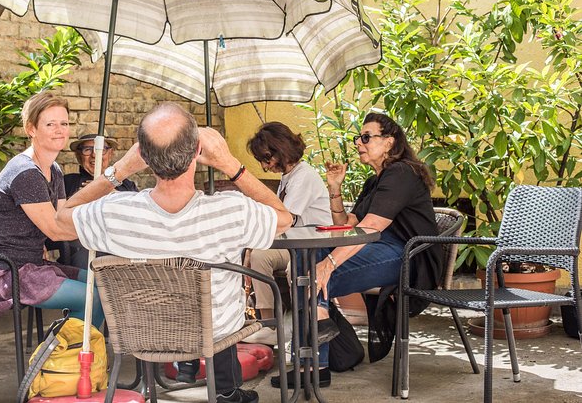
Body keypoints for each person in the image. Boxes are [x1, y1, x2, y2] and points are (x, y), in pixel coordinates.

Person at [55, 102, 292, 403]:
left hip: (142, 334)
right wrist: (231, 164)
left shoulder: (115, 211)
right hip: (214, 335)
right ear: (197, 153)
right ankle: (226, 390)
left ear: (142, 156)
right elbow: (284, 218)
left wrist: (119, 170)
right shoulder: (231, 210)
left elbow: (60, 221)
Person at [271, 112, 442, 389]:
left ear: (389, 142)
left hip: (409, 256)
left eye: (366, 137)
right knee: (305, 258)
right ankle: (322, 334)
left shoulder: (402, 173)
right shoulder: (375, 181)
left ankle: (315, 363)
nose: (359, 143)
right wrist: (335, 189)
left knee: (312, 274)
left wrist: (329, 263)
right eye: (357, 138)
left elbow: (372, 225)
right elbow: (347, 226)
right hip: (381, 247)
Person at [0, 92, 104, 329]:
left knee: (103, 286)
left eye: (64, 123)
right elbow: (57, 230)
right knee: (93, 298)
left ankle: (71, 355)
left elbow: (63, 215)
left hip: (32, 265)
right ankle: (72, 362)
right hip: (4, 270)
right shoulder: (25, 172)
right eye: (50, 124)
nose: (60, 130)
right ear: (31, 129)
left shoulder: (53, 169)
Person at [242, 122, 332, 345]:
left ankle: (303, 328)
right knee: (259, 256)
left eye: (266, 159)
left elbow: (285, 220)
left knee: (295, 264)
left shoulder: (304, 176)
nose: (264, 167)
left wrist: (251, 242)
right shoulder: (288, 176)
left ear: (280, 150)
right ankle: (269, 324)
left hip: (313, 246)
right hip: (295, 243)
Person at [58, 134, 138, 268]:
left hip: (120, 258)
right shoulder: (67, 183)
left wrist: (112, 195)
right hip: (80, 259)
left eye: (101, 149)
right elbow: (55, 222)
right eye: (87, 149)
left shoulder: (126, 186)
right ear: (79, 156)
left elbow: (139, 219)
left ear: (110, 153)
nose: (95, 154)